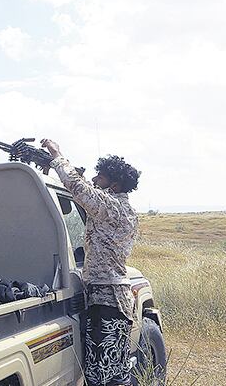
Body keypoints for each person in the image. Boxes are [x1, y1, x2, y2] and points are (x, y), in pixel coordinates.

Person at [40, 139, 141, 386]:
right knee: (116, 371)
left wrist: (57, 156)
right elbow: (87, 190)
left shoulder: (111, 207)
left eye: (101, 177)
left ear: (114, 184)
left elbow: (79, 188)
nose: (95, 179)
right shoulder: (124, 209)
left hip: (106, 299)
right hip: (115, 300)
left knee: (100, 375)